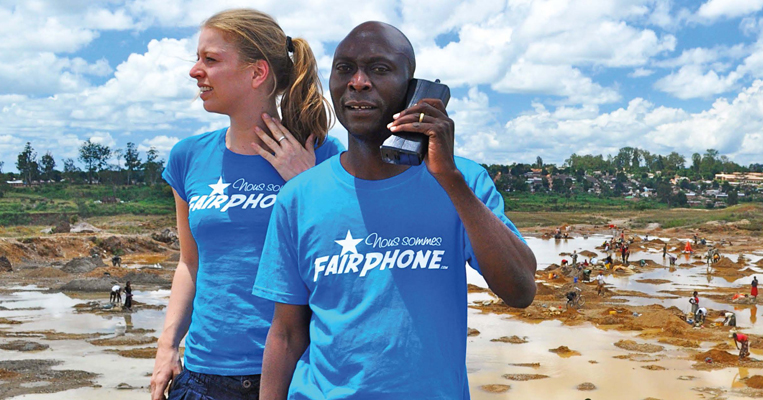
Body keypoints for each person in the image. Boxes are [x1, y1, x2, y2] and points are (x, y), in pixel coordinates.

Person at [253, 22, 537, 399]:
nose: (358, 81)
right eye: (345, 69)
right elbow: (286, 333)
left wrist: (450, 180)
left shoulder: (464, 181)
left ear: (413, 90)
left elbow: (520, 289)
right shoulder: (298, 197)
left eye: (379, 69)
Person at [150, 9, 343, 400]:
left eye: (210, 60)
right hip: (201, 377)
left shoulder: (323, 156)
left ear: (257, 74)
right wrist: (167, 346)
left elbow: (343, 262)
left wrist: (307, 185)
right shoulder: (187, 157)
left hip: (295, 374)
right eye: (197, 58)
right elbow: (190, 262)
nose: (194, 71)